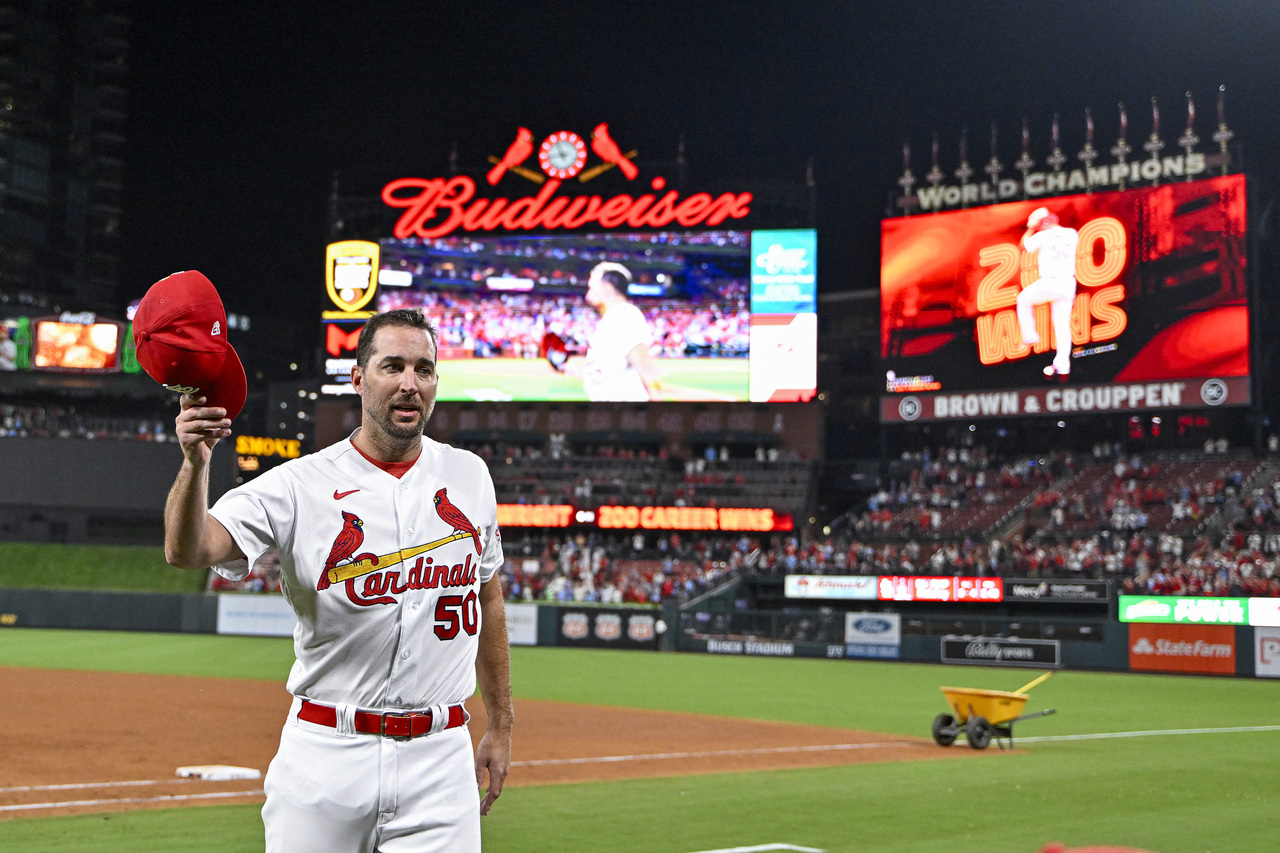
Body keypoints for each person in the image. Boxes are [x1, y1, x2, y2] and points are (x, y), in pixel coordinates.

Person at [165, 308, 512, 852]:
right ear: (357, 378)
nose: (408, 383)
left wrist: (503, 723)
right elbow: (189, 550)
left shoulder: (469, 476)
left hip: (442, 761)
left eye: (423, 369)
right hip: (327, 754)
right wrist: (195, 463)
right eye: (391, 366)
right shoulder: (299, 485)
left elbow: (488, 596)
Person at [581, 261, 661, 400]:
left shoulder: (623, 313)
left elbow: (644, 366)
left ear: (607, 288)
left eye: (592, 288)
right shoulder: (614, 316)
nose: (588, 294)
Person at [1017, 207, 1079, 379]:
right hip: (1068, 283)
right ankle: (1063, 364)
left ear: (1045, 222)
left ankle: (1030, 337)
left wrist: (1031, 228)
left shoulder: (1043, 235)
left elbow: (1023, 246)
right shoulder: (1072, 233)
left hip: (1051, 281)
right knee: (1062, 325)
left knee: (1023, 300)